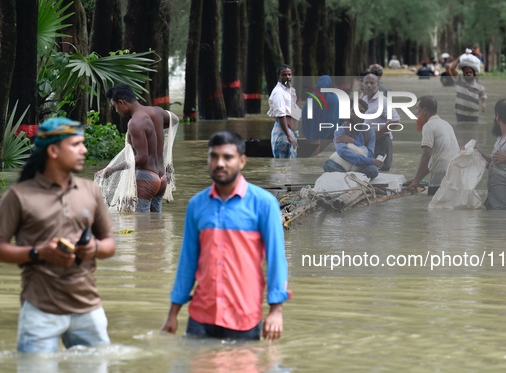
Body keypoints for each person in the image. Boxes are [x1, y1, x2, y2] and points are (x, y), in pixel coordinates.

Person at [0, 118, 116, 353]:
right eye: (76, 145)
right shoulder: (19, 195)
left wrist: (94, 248)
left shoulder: (90, 191)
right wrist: (38, 253)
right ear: (53, 150)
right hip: (40, 311)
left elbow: (109, 244)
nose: (84, 150)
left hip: (88, 308)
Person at [161, 131, 290, 341]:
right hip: (201, 317)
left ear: (242, 161)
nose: (220, 163)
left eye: (227, 157)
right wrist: (173, 313)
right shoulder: (196, 205)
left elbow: (276, 259)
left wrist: (276, 311)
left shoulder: (264, 204)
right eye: (214, 156)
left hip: (244, 317)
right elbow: (188, 261)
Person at [99, 83, 179, 212]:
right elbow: (174, 119)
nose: (116, 111)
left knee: (142, 227)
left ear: (121, 102)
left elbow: (142, 158)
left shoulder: (135, 122)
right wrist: (156, 126)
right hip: (161, 178)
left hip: (147, 178)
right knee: (156, 224)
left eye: (115, 107)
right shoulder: (157, 111)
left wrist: (112, 169)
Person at [405, 96, 460, 195]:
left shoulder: (428, 126)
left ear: (424, 110)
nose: (416, 112)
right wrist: (417, 178)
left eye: (417, 108)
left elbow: (427, 155)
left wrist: (416, 182)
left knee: (433, 209)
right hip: (455, 177)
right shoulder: (446, 124)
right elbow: (436, 160)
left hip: (440, 180)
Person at [322, 100, 382, 180]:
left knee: (373, 170)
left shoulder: (370, 132)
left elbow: (369, 154)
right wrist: (369, 160)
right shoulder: (340, 130)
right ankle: (354, 179)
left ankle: (346, 178)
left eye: (361, 112)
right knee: (328, 165)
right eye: (354, 111)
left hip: (360, 167)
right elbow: (342, 152)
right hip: (343, 165)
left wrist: (353, 141)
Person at [361, 73, 400, 171]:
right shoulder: (362, 99)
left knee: (380, 170)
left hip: (381, 141)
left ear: (378, 85)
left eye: (372, 83)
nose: (369, 85)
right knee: (365, 169)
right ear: (363, 85)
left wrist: (374, 134)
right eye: (366, 83)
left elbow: (395, 121)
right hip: (365, 141)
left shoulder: (384, 101)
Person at [267, 64, 301, 158]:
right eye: (284, 75)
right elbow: (281, 115)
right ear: (279, 76)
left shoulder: (288, 91)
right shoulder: (278, 93)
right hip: (283, 133)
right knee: (284, 168)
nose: (288, 77)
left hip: (288, 133)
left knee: (290, 167)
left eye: (289, 74)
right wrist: (288, 135)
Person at [446, 52, 488, 122]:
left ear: (473, 74)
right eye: (466, 73)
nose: (468, 74)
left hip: (474, 115)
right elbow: (452, 69)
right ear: (463, 74)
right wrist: (459, 58)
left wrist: (484, 104)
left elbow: (484, 97)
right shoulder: (459, 81)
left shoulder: (479, 86)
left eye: (470, 72)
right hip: (460, 114)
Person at [301, 75, 340, 140]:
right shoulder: (333, 97)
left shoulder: (312, 97)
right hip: (328, 135)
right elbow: (334, 118)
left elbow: (304, 113)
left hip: (311, 133)